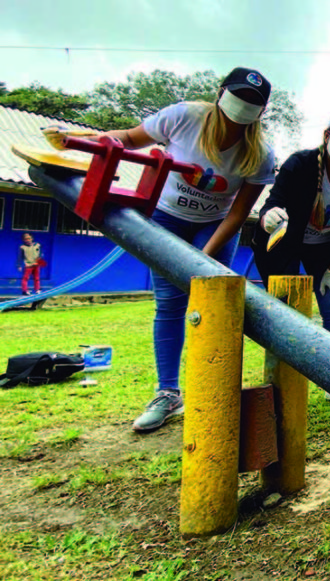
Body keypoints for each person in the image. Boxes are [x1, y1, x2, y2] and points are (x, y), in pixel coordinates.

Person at [57, 67, 277, 433]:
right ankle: (168, 393)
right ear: (221, 92)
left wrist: (203, 254)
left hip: (216, 226)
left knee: (218, 306)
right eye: (239, 95)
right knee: (171, 304)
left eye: (254, 102)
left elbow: (240, 212)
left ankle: (217, 389)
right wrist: (90, 139)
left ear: (262, 110)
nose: (243, 105)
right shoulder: (184, 116)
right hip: (167, 217)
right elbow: (128, 138)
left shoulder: (260, 153)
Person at [252, 104, 330, 348]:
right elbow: (272, 204)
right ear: (327, 135)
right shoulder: (299, 164)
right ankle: (284, 373)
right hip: (284, 245)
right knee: (287, 309)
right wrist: (269, 217)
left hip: (326, 248)